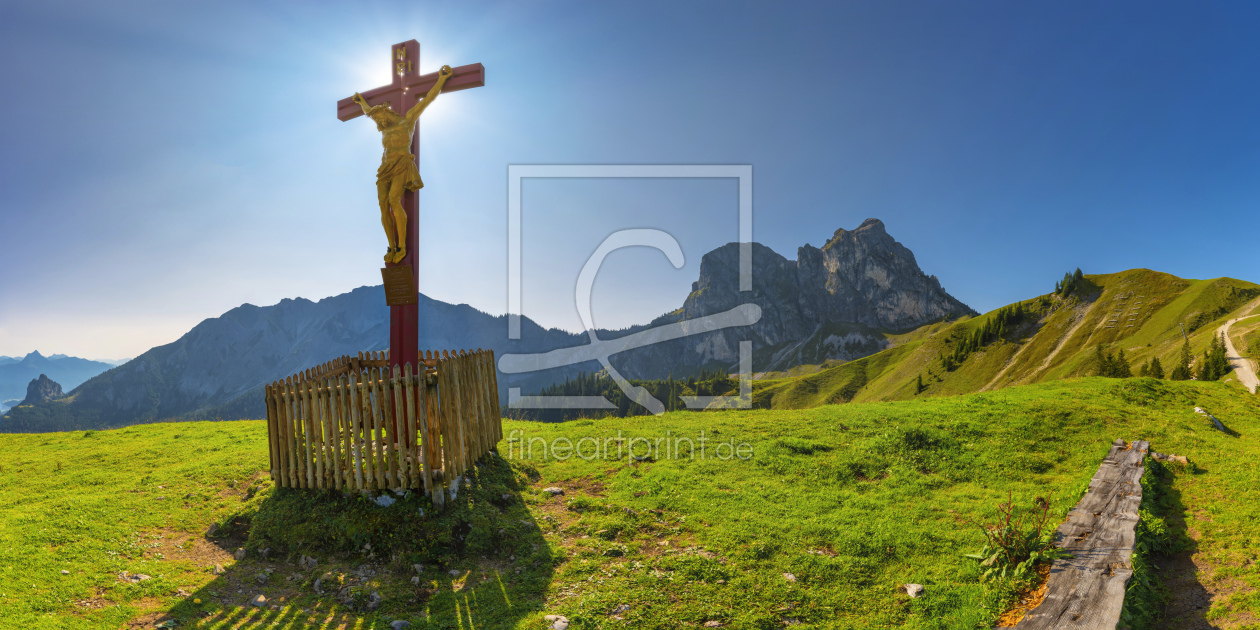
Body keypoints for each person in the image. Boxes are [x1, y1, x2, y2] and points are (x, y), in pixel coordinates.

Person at [353, 64, 452, 263]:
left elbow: (428, 100)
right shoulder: (384, 128)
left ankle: (402, 246)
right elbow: (368, 111)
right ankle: (391, 246)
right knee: (382, 205)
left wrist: (441, 79)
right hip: (385, 168)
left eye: (379, 117)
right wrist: (361, 101)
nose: (377, 122)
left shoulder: (407, 121)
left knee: (393, 200)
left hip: (401, 164)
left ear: (385, 113)